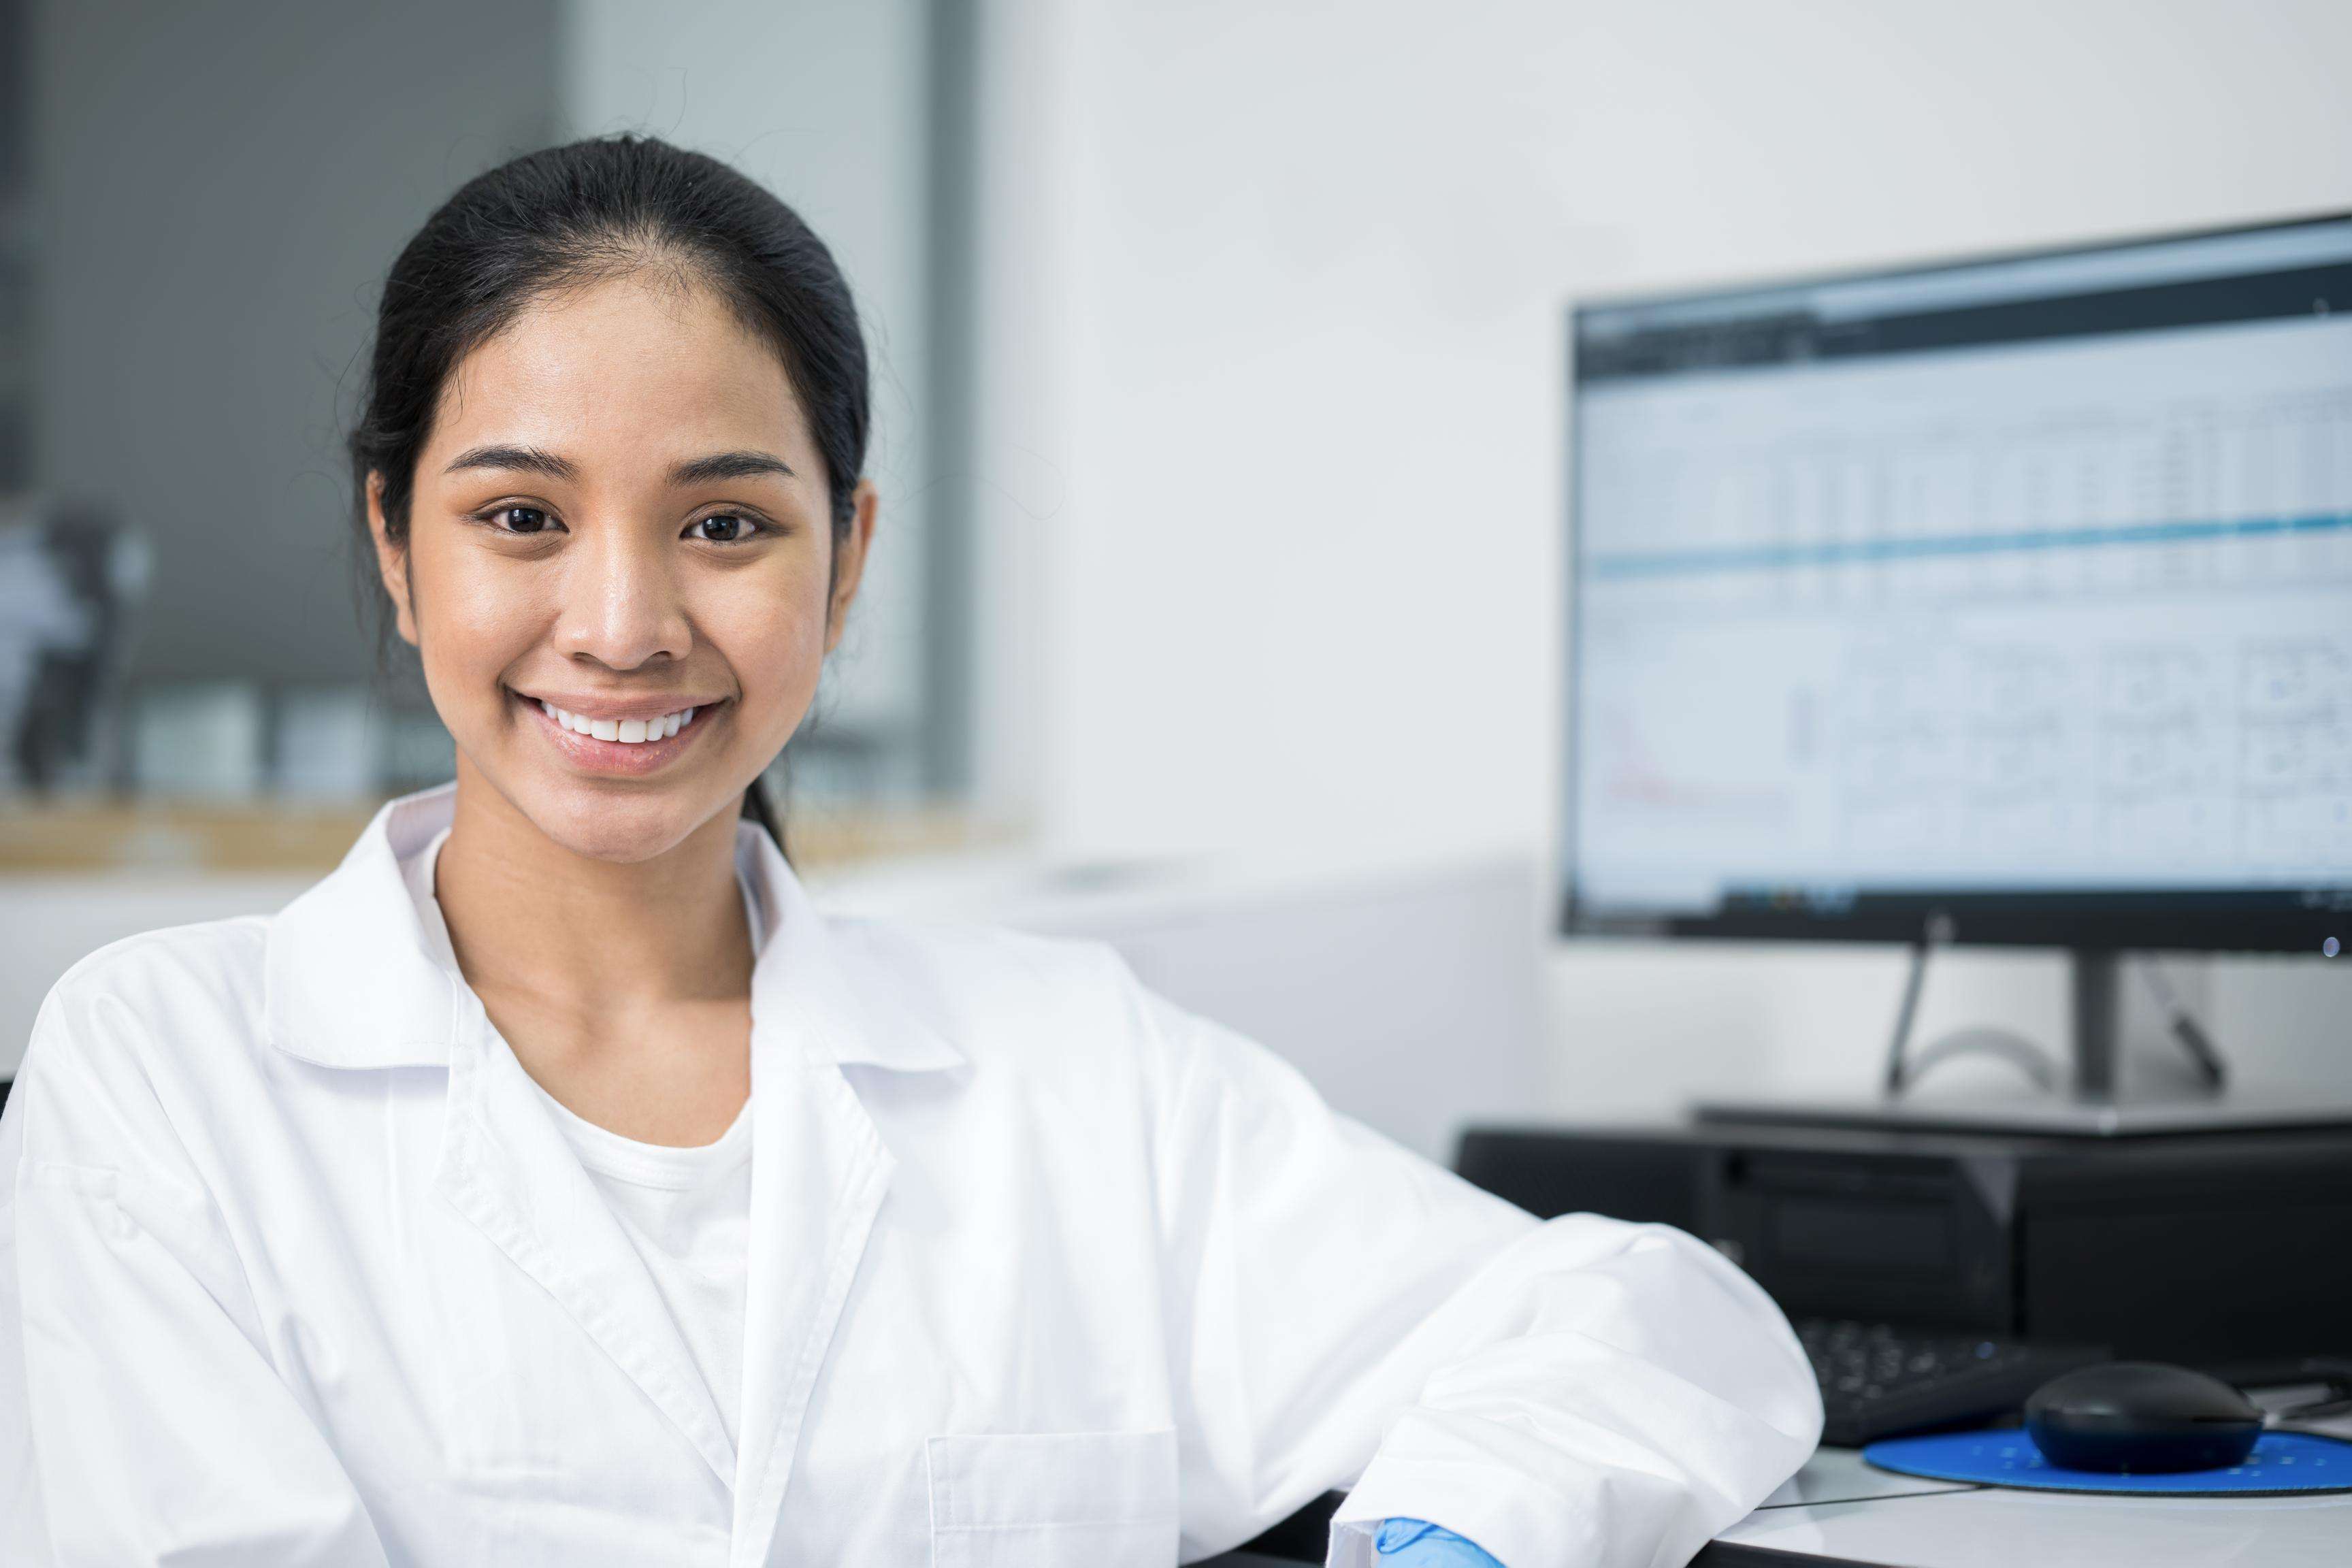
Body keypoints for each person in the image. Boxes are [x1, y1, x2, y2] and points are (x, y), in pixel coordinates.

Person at [0, 136, 1820, 1567]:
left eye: (724, 519)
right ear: (397, 548)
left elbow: (1640, 1323)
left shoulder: (1070, 1073)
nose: (623, 622)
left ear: (847, 560)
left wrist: (1453, 1543)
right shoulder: (166, 1074)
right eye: (522, 518)